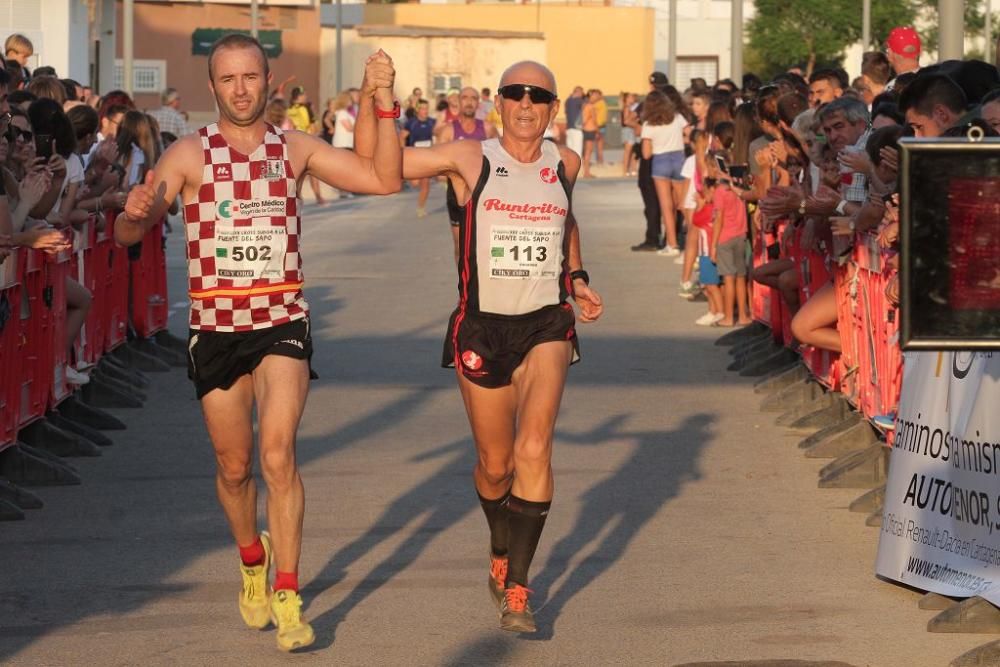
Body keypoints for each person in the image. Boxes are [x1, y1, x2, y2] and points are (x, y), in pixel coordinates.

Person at [114, 35, 401, 652]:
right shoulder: (189, 155)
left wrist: (382, 101)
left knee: (278, 458)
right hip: (217, 330)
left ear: (269, 80)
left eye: (251, 77)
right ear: (211, 86)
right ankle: (252, 557)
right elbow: (126, 230)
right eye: (228, 79)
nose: (241, 89)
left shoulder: (292, 147)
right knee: (235, 467)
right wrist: (134, 211)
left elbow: (380, 178)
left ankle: (290, 594)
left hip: (280, 323)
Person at [400, 60, 603, 634]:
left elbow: (565, 222)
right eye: (515, 93)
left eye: (538, 95)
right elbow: (384, 167)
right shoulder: (471, 157)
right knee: (495, 467)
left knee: (534, 450)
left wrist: (578, 276)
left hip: (546, 323)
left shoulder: (565, 162)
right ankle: (499, 539)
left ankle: (518, 587)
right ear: (499, 101)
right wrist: (381, 101)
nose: (525, 103)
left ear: (552, 107)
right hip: (483, 326)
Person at [436, 87, 498, 262]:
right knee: (460, 245)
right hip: (456, 194)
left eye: (473, 98)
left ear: (478, 103)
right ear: (458, 102)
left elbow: (501, 158)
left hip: (484, 193)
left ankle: (487, 283)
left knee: (488, 243)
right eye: (465, 98)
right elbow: (436, 165)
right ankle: (463, 286)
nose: (469, 101)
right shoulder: (448, 131)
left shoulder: (488, 129)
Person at [640, 90, 687, 256]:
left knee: (666, 206)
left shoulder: (648, 124)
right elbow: (688, 134)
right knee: (683, 204)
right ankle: (689, 241)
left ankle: (672, 244)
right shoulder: (677, 117)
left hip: (660, 161)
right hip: (679, 158)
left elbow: (646, 154)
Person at [631, 71, 670, 251]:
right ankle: (671, 238)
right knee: (670, 203)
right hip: (671, 157)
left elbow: (640, 133)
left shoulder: (649, 104)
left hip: (651, 159)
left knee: (651, 201)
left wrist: (633, 124)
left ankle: (653, 237)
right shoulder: (674, 105)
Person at [400, 98, 435, 217]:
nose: (425, 111)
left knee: (425, 184)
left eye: (426, 108)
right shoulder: (411, 123)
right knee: (415, 183)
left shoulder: (432, 122)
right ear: (417, 110)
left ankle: (421, 207)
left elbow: (438, 136)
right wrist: (403, 151)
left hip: (427, 157)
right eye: (422, 109)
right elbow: (402, 137)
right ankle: (410, 180)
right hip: (414, 156)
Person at [580, 89, 599, 178]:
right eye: (595, 95)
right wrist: (597, 130)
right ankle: (586, 172)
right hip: (590, 130)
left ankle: (586, 171)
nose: (597, 97)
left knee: (586, 152)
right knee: (588, 152)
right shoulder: (590, 106)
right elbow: (590, 120)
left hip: (586, 130)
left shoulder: (585, 105)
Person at [620, 92, 639, 176]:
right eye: (631, 97)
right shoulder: (627, 108)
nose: (633, 99)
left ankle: (633, 169)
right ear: (626, 99)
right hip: (628, 130)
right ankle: (625, 170)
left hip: (631, 130)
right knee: (628, 151)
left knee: (634, 151)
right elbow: (626, 121)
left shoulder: (631, 108)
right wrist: (636, 125)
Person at [563, 86, 584, 157]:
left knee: (570, 149)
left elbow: (566, 112)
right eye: (582, 93)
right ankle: (578, 166)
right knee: (577, 149)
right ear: (579, 92)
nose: (582, 94)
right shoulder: (579, 101)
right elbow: (588, 106)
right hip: (577, 128)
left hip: (569, 128)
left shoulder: (568, 100)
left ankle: (571, 165)